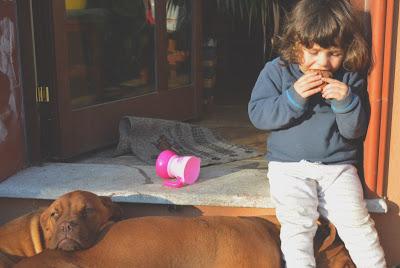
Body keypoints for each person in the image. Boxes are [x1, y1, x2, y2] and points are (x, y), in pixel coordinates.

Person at [248, 0, 386, 267]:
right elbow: (258, 115)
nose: (323, 62)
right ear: (296, 44)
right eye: (313, 52)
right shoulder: (277, 71)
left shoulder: (349, 77)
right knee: (298, 227)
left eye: (333, 53)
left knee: (358, 224)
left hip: (338, 168)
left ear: (346, 49)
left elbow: (355, 131)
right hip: (288, 168)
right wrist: (293, 97)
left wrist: (345, 103)